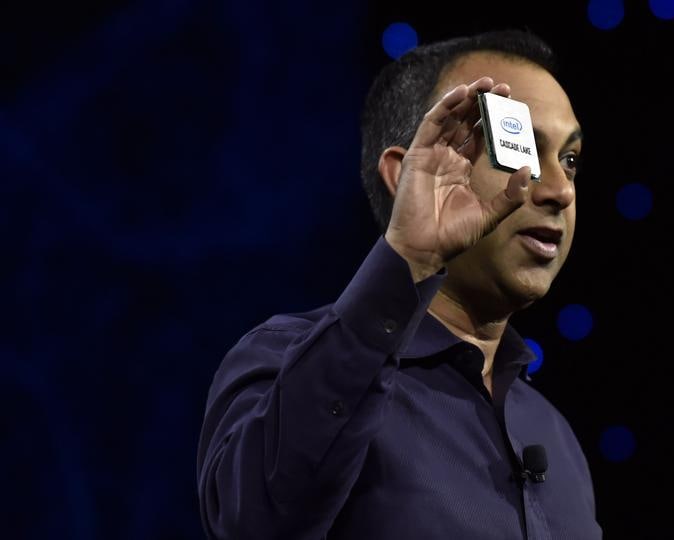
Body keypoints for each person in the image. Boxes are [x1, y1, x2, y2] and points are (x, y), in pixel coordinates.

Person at [197, 29, 600, 539]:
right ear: (404, 174)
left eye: (569, 160)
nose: (561, 190)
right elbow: (252, 523)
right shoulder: (284, 361)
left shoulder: (554, 433)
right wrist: (407, 258)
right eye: (517, 145)